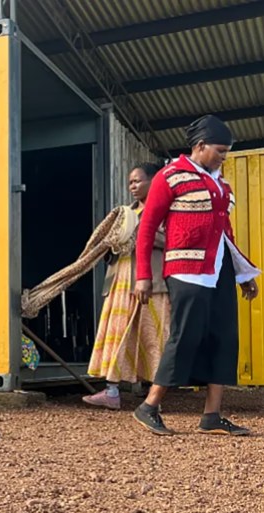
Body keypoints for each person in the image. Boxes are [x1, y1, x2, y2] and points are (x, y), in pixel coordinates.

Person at [133, 115, 260, 436]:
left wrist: (243, 272)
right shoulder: (170, 176)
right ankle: (149, 405)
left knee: (225, 337)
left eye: (227, 152)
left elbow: (225, 232)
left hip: (219, 269)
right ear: (199, 146)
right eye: (219, 150)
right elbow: (146, 228)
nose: (223, 157)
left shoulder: (220, 182)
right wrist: (143, 275)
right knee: (186, 334)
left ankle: (212, 415)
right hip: (185, 269)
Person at [83, 163, 170, 410]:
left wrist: (140, 233)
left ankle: (155, 397)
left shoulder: (166, 209)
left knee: (153, 337)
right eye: (130, 182)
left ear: (154, 181)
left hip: (152, 282)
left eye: (138, 181)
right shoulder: (126, 214)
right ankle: (111, 391)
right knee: (118, 331)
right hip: (122, 280)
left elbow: (173, 241)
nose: (132, 186)